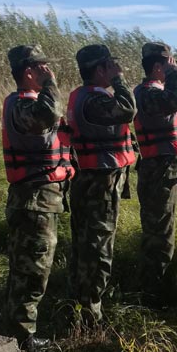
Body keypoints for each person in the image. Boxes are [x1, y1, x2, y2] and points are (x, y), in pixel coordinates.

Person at [1, 45, 75, 352]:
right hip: (33, 202)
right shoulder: (22, 106)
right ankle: (22, 340)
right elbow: (47, 115)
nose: (48, 72)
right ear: (28, 72)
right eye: (42, 68)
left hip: (41, 200)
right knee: (32, 272)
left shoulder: (28, 104)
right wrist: (51, 84)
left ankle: (20, 332)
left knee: (32, 269)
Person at [67, 44, 137, 325]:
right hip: (100, 182)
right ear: (99, 70)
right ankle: (91, 312)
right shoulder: (94, 101)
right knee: (98, 244)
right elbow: (129, 109)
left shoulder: (83, 97)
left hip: (90, 178)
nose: (116, 70)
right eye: (111, 66)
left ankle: (81, 300)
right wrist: (119, 80)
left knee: (86, 240)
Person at [133, 42, 177, 307]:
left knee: (164, 231)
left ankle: (154, 289)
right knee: (160, 237)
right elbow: (174, 99)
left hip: (165, 171)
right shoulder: (147, 93)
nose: (175, 66)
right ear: (159, 66)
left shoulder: (155, 91)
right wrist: (173, 74)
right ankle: (152, 296)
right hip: (158, 173)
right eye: (171, 62)